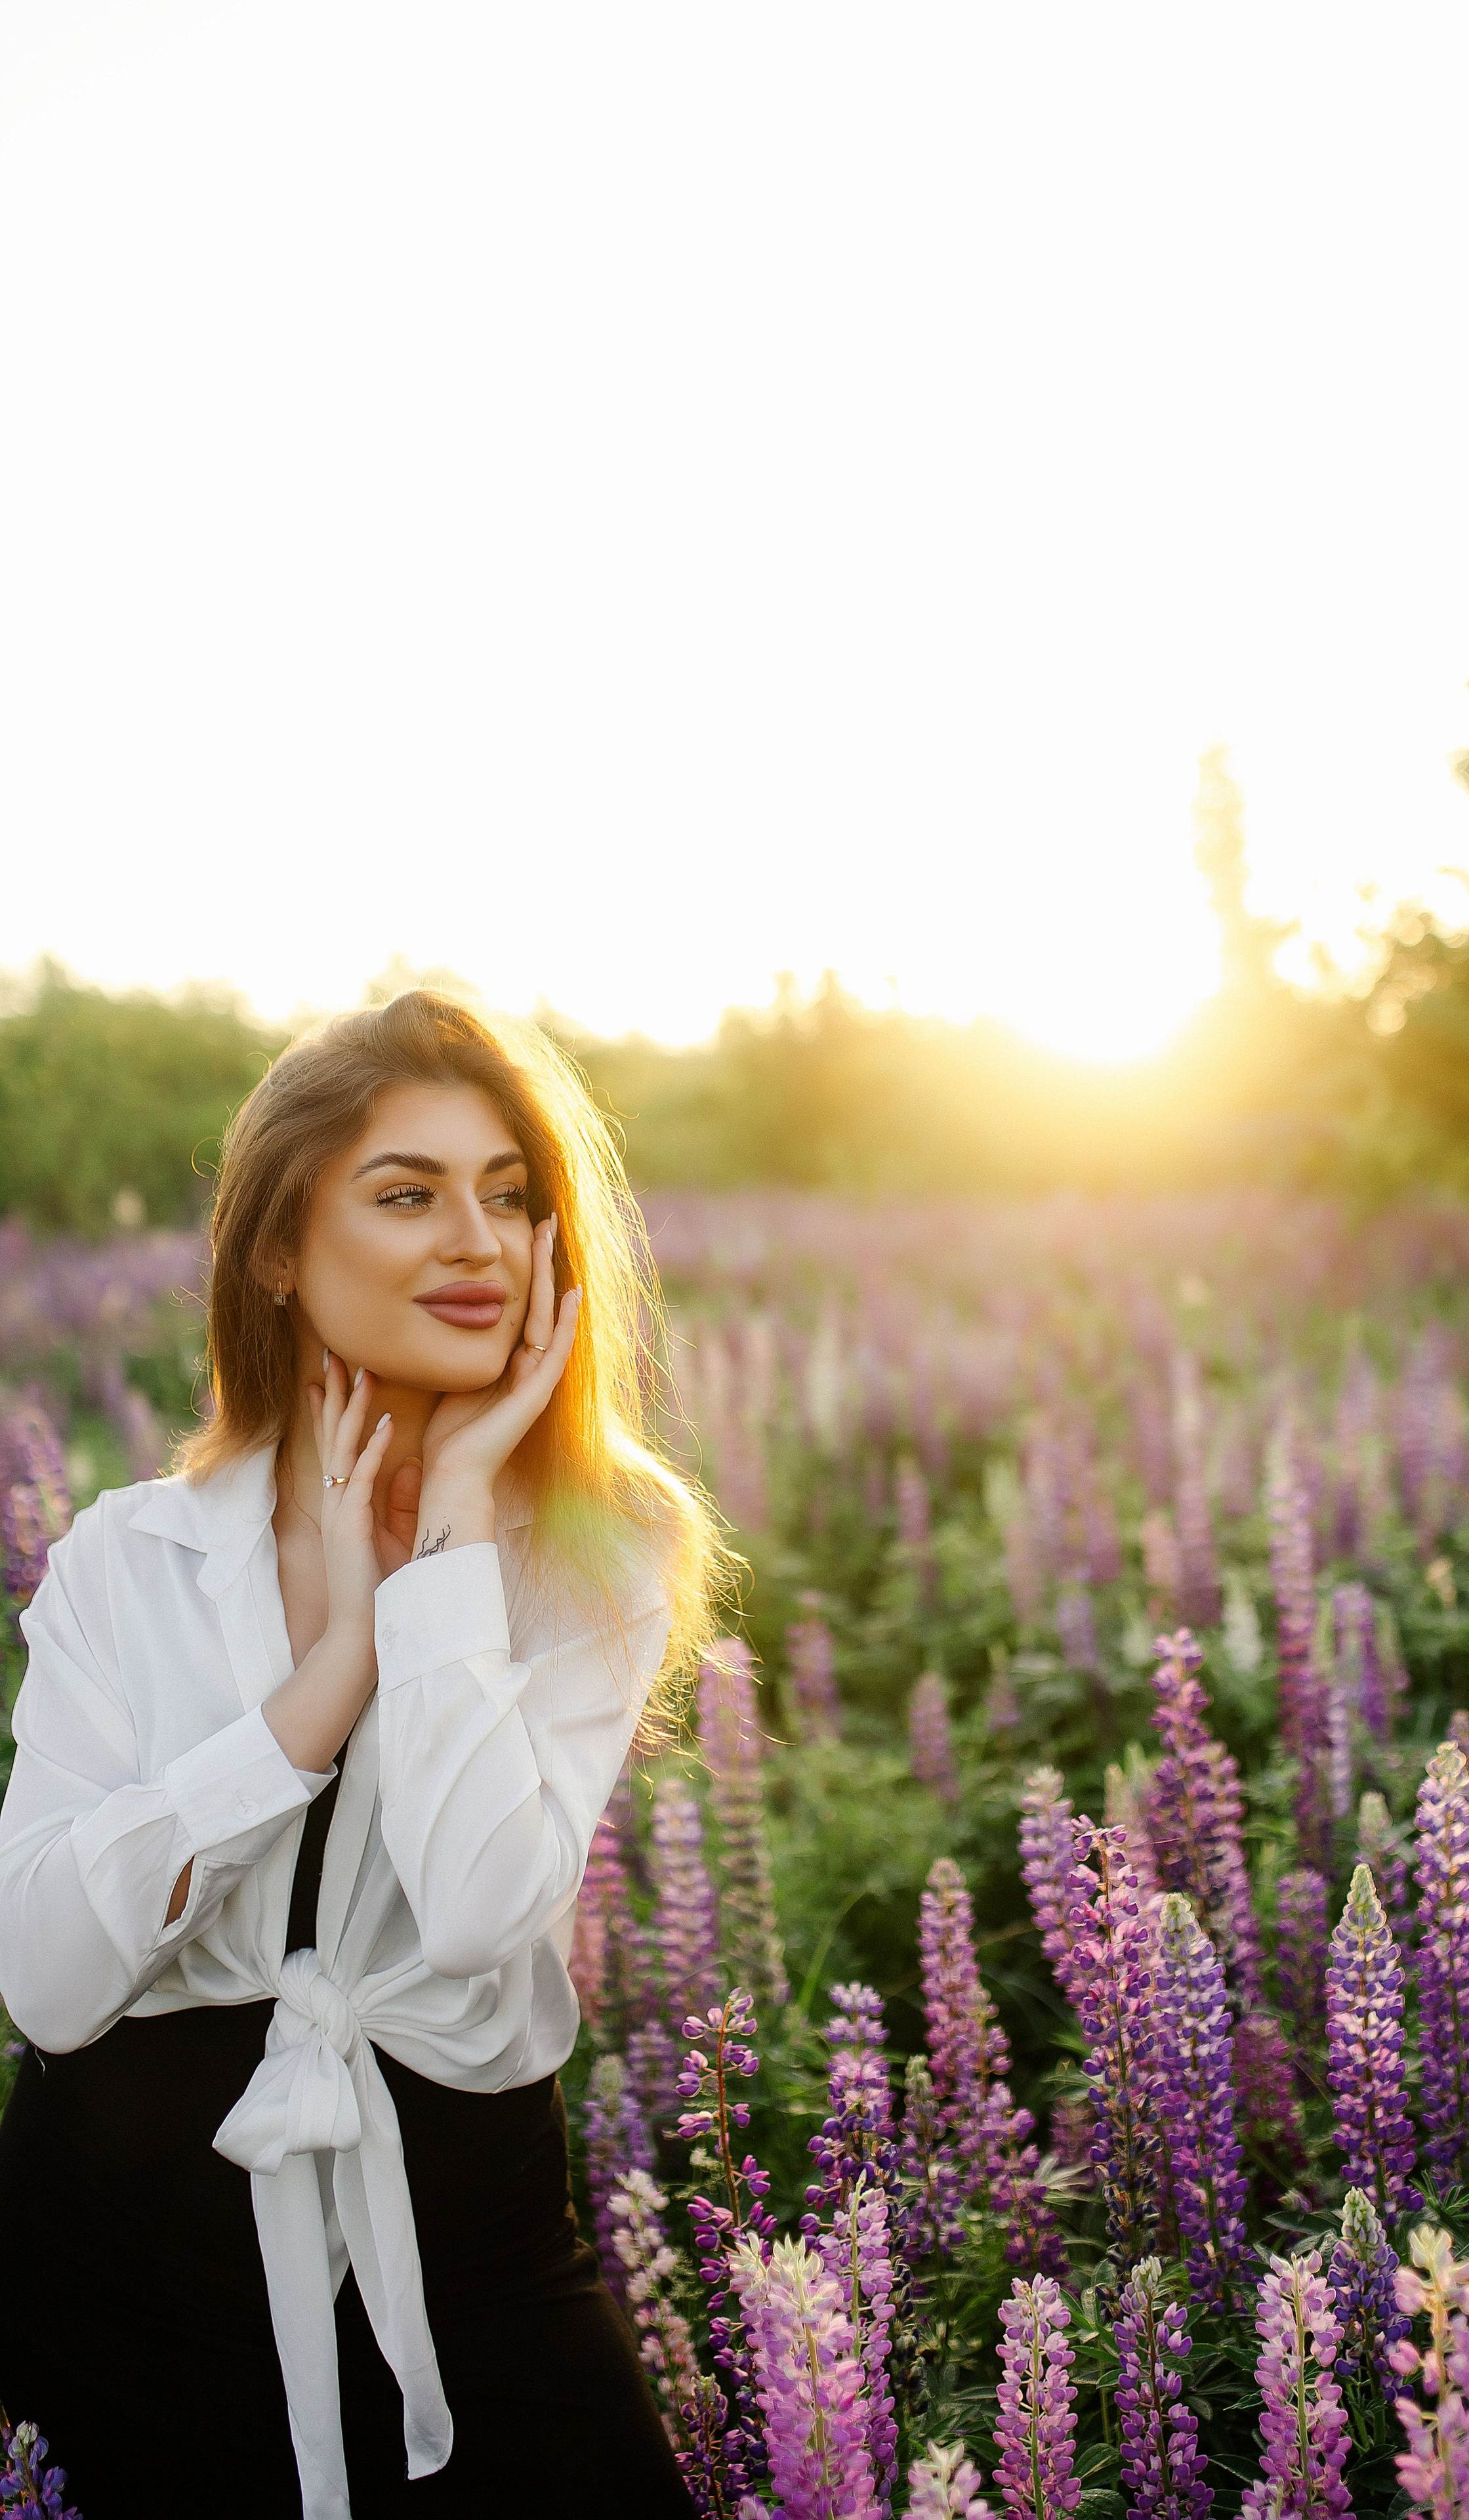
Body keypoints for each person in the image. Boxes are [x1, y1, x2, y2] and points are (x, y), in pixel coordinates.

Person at [0, 991, 722, 2518]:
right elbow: (50, 1981)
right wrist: (320, 1693)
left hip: (466, 2251)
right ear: (276, 1247)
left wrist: (455, 1526)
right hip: (111, 2271)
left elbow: (474, 1917)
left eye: (510, 1196)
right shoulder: (128, 1558)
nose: (479, 1240)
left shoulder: (600, 1550)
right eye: (408, 1194)